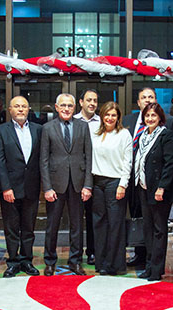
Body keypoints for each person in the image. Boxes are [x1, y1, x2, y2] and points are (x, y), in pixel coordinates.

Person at [40, 93, 92, 276]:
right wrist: (47, 187)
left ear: (74, 107)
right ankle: (49, 261)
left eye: (69, 105)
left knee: (77, 225)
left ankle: (75, 261)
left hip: (78, 184)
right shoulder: (47, 128)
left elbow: (88, 156)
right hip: (55, 185)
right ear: (56, 106)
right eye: (63, 105)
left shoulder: (83, 127)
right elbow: (43, 160)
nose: (66, 108)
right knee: (52, 225)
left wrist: (88, 185)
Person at [123, 87, 173, 267]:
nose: (147, 100)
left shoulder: (167, 127)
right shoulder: (130, 122)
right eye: (143, 97)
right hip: (138, 184)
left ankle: (155, 265)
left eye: (150, 97)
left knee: (157, 227)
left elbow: (170, 161)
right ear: (138, 103)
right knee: (142, 222)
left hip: (157, 186)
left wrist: (163, 186)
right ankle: (142, 257)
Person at [0, 96, 42, 278]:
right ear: (10, 109)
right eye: (17, 106)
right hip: (11, 190)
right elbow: (0, 161)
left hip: (31, 187)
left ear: (29, 109)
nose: (21, 109)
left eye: (24, 106)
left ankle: (27, 260)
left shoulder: (38, 130)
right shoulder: (1, 131)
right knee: (12, 228)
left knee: (29, 228)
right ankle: (13, 262)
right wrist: (5, 187)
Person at [133, 102, 173, 281]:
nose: (150, 119)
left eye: (153, 116)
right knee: (148, 228)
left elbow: (170, 163)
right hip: (143, 187)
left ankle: (157, 269)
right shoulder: (142, 135)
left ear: (160, 118)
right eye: (147, 116)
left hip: (159, 191)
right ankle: (149, 265)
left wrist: (162, 187)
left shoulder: (166, 135)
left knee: (159, 230)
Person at [90, 101, 132, 275]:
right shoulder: (95, 133)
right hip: (97, 183)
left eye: (113, 115)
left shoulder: (124, 134)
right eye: (107, 114)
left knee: (115, 224)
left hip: (115, 183)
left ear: (118, 117)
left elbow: (127, 162)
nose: (110, 118)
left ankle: (114, 265)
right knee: (99, 223)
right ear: (102, 116)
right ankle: (101, 263)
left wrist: (123, 184)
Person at [74, 89, 100, 265]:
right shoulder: (72, 120)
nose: (92, 103)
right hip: (76, 175)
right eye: (88, 100)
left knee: (93, 216)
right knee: (76, 218)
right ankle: (74, 253)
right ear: (81, 102)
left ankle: (92, 251)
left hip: (96, 175)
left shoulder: (102, 122)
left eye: (95, 101)